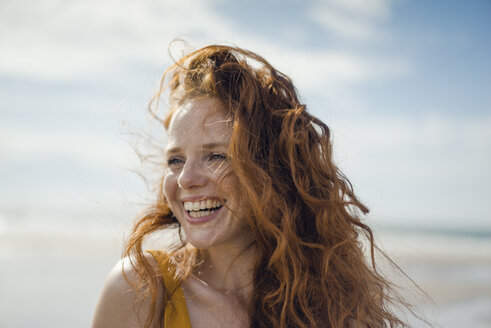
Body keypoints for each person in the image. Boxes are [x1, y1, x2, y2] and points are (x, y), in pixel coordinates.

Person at [92, 45, 409, 328]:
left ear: (271, 169)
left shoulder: (333, 306)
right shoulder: (139, 291)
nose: (186, 179)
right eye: (175, 160)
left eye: (216, 156)